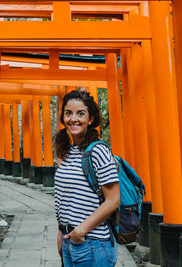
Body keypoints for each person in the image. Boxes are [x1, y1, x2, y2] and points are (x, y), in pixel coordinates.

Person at [54, 90, 120, 266]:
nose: (73, 119)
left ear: (90, 119)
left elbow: (113, 200)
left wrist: (81, 230)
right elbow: (65, 199)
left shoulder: (98, 151)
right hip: (70, 240)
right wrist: (61, 233)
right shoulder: (68, 152)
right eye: (68, 113)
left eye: (80, 113)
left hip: (91, 242)